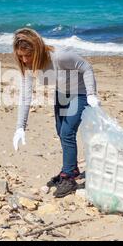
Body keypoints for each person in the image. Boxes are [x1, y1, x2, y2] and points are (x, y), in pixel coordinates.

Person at [12, 28, 100, 198]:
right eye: (20, 56)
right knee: (60, 131)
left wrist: (91, 95)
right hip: (61, 93)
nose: (24, 60)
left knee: (67, 132)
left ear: (37, 50)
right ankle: (71, 169)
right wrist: (20, 127)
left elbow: (87, 68)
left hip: (80, 93)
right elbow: (25, 96)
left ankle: (68, 178)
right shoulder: (28, 66)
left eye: (27, 55)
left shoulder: (60, 56)